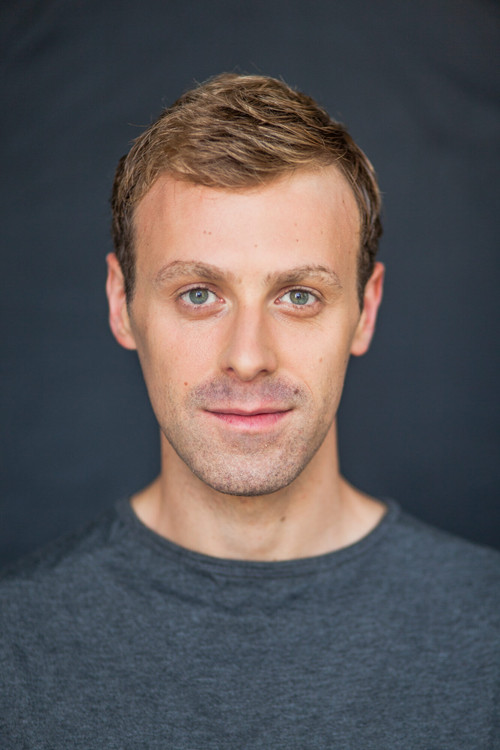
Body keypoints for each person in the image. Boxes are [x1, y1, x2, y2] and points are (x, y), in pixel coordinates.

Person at [1, 74, 499, 749]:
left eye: (299, 295)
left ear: (366, 309)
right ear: (121, 303)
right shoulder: (14, 644)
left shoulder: (489, 631)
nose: (247, 357)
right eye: (198, 294)